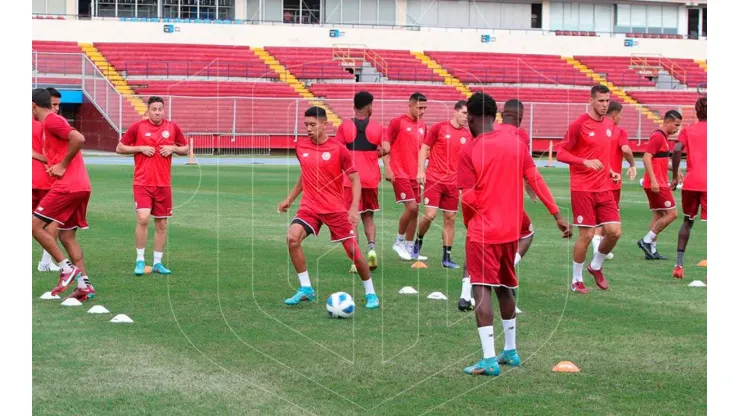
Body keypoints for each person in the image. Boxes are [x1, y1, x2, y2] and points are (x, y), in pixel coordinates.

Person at [459, 92, 571, 376]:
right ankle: (510, 350)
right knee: (505, 286)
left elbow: (468, 198)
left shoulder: (469, 150)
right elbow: (535, 178)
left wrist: (469, 223)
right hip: (511, 230)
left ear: (470, 117)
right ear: (495, 116)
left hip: (483, 230)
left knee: (480, 287)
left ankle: (488, 360)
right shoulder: (516, 143)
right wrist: (556, 215)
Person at [278, 107, 379, 309]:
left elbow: (355, 179)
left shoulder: (338, 149)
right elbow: (304, 175)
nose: (308, 129)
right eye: (306, 125)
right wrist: (289, 199)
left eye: (313, 125)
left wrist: (352, 208)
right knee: (292, 238)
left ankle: (371, 293)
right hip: (310, 208)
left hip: (335, 209)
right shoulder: (301, 147)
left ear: (325, 125)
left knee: (353, 252)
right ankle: (306, 288)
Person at [458, 99, 534, 311]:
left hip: (482, 202)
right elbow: (525, 167)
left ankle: (466, 294)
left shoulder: (491, 130)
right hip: (506, 203)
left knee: (475, 242)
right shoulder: (519, 136)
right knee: (527, 233)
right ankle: (505, 270)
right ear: (520, 116)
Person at [556, 84, 622, 294]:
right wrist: (583, 161)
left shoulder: (610, 125)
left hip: (604, 187)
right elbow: (560, 153)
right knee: (586, 235)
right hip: (583, 189)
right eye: (601, 101)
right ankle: (576, 280)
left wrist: (611, 170)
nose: (604, 105)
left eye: (607, 101)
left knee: (614, 232)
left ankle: (595, 266)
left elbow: (602, 154)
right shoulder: (579, 125)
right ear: (591, 100)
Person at [31, 88, 95, 301]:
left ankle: (66, 269)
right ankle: (84, 285)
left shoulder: (51, 121)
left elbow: (79, 138)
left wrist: (63, 164)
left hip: (68, 186)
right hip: (81, 185)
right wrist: (50, 162)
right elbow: (58, 156)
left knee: (33, 226)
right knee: (67, 236)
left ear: (33, 106)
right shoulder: (50, 125)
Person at [116, 96, 189, 276]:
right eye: (154, 109)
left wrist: (173, 148)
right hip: (142, 183)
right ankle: (140, 259)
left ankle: (157, 263)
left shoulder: (172, 127)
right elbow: (120, 147)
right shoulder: (138, 127)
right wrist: (140, 148)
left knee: (162, 224)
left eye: (160, 109)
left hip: (163, 184)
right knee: (143, 218)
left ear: (164, 110)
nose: (157, 112)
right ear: (147, 110)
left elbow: (185, 149)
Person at [334, 91, 390, 272]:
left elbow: (338, 151)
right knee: (368, 216)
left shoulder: (344, 127)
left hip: (350, 180)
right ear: (369, 107)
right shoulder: (378, 128)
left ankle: (355, 261)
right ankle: (371, 248)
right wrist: (373, 155)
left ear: (354, 106)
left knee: (352, 219)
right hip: (371, 179)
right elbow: (387, 148)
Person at [415, 100, 470, 268]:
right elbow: (424, 148)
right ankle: (418, 240)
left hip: (453, 183)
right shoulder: (439, 128)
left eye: (468, 115)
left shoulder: (468, 136)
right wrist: (420, 171)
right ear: (455, 111)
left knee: (450, 219)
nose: (466, 117)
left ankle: (446, 258)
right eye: (464, 113)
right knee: (430, 215)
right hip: (434, 179)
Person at [385, 93, 428, 261]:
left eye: (425, 108)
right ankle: (398, 241)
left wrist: (422, 171)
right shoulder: (398, 122)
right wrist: (388, 168)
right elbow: (386, 146)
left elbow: (422, 150)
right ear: (410, 105)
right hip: (399, 172)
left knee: (416, 210)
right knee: (411, 207)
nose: (422, 111)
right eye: (419, 108)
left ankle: (410, 248)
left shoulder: (423, 126)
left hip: (414, 174)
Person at [591, 101, 637, 259]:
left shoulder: (596, 129)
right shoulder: (619, 131)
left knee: (597, 218)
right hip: (612, 181)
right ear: (615, 114)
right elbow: (625, 149)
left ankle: (598, 247)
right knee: (609, 218)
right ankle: (600, 251)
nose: (621, 118)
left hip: (595, 180)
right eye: (621, 114)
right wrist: (632, 164)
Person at [637, 110, 683, 260]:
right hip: (657, 183)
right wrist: (654, 180)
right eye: (676, 125)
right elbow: (646, 158)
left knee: (658, 215)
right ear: (667, 122)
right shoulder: (658, 136)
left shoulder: (663, 138)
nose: (677, 128)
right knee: (672, 214)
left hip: (656, 182)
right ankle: (646, 240)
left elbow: (659, 159)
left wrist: (675, 169)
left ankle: (652, 251)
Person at [671, 97, 707, 279]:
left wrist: (674, 176)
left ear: (696, 112)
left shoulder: (688, 130)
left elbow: (677, 149)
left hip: (692, 182)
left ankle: (678, 265)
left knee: (687, 221)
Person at [33, 102, 60, 272]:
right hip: (45, 179)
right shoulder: (48, 125)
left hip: (42, 179)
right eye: (53, 104)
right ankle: (45, 262)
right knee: (52, 222)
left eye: (58, 104)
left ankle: (46, 262)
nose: (56, 108)